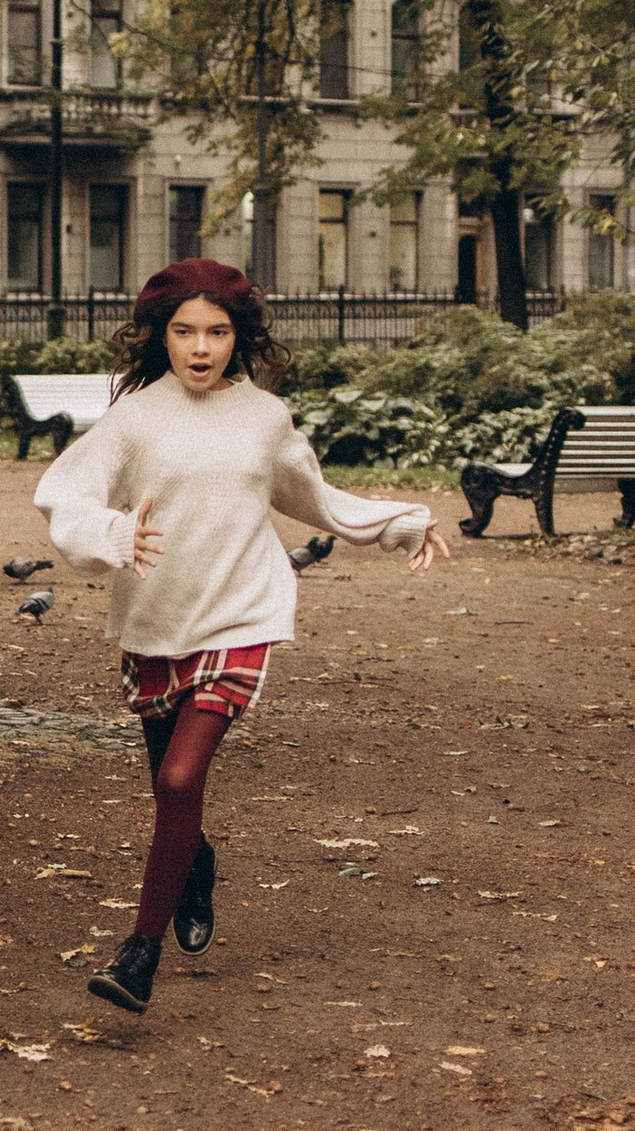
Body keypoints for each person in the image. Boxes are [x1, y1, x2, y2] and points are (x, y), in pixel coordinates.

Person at [34, 257, 450, 1013]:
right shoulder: (134, 418)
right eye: (184, 331)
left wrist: (402, 522)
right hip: (154, 622)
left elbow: (315, 499)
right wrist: (113, 532)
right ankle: (193, 866)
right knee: (170, 794)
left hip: (242, 613)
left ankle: (138, 956)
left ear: (239, 336)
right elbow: (61, 492)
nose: (200, 347)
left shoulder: (265, 418)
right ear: (160, 336)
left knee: (180, 781)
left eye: (217, 332)